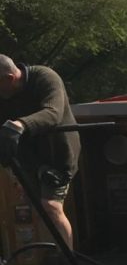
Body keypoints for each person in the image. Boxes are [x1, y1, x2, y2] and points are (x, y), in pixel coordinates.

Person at [0, 55, 80, 250]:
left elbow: (53, 113)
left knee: (51, 206)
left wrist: (19, 125)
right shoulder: (4, 95)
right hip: (28, 159)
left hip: (58, 155)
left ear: (10, 78)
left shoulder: (45, 78)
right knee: (39, 210)